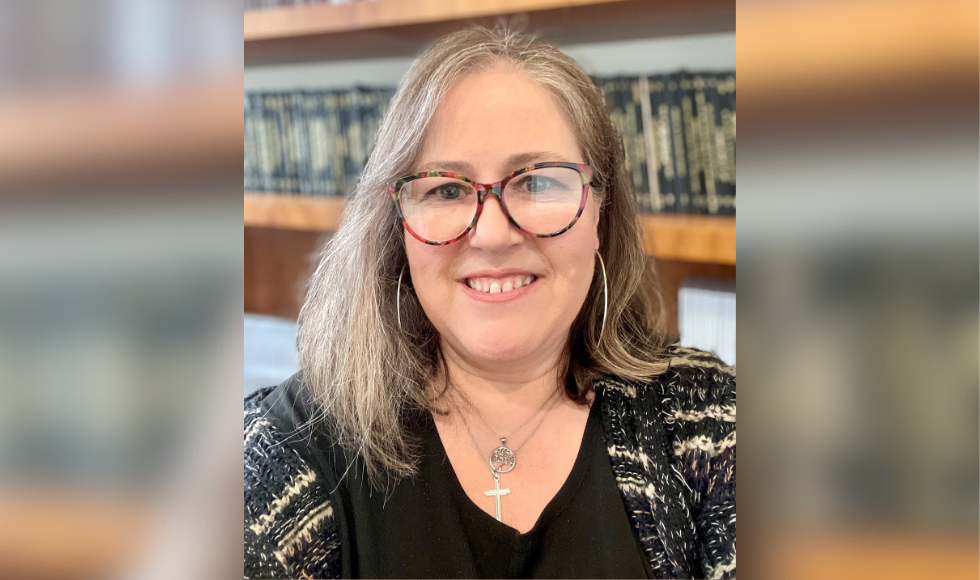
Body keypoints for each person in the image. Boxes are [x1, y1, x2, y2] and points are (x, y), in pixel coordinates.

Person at [244, 26, 735, 579]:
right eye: (446, 190)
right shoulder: (283, 449)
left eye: (539, 182)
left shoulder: (710, 420)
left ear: (602, 210)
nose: (494, 235)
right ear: (397, 229)